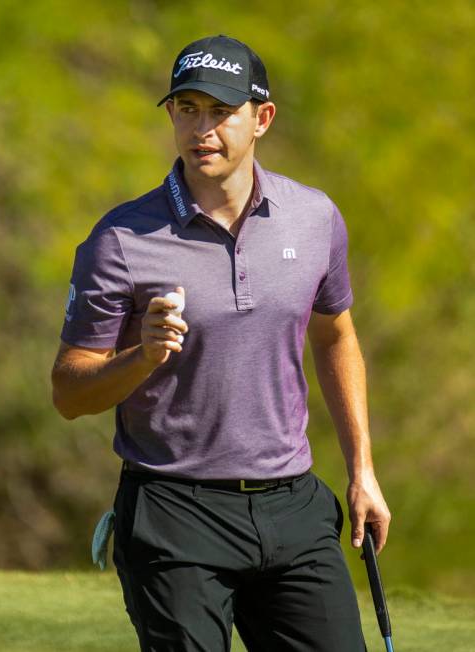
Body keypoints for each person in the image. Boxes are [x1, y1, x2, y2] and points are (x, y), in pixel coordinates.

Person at [51, 34, 391, 652]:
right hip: (173, 511)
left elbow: (336, 336)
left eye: (220, 111)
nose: (201, 128)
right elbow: (70, 392)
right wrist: (143, 355)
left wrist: (362, 471)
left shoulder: (314, 218)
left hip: (293, 506)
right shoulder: (121, 239)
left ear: (261, 119)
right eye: (187, 109)